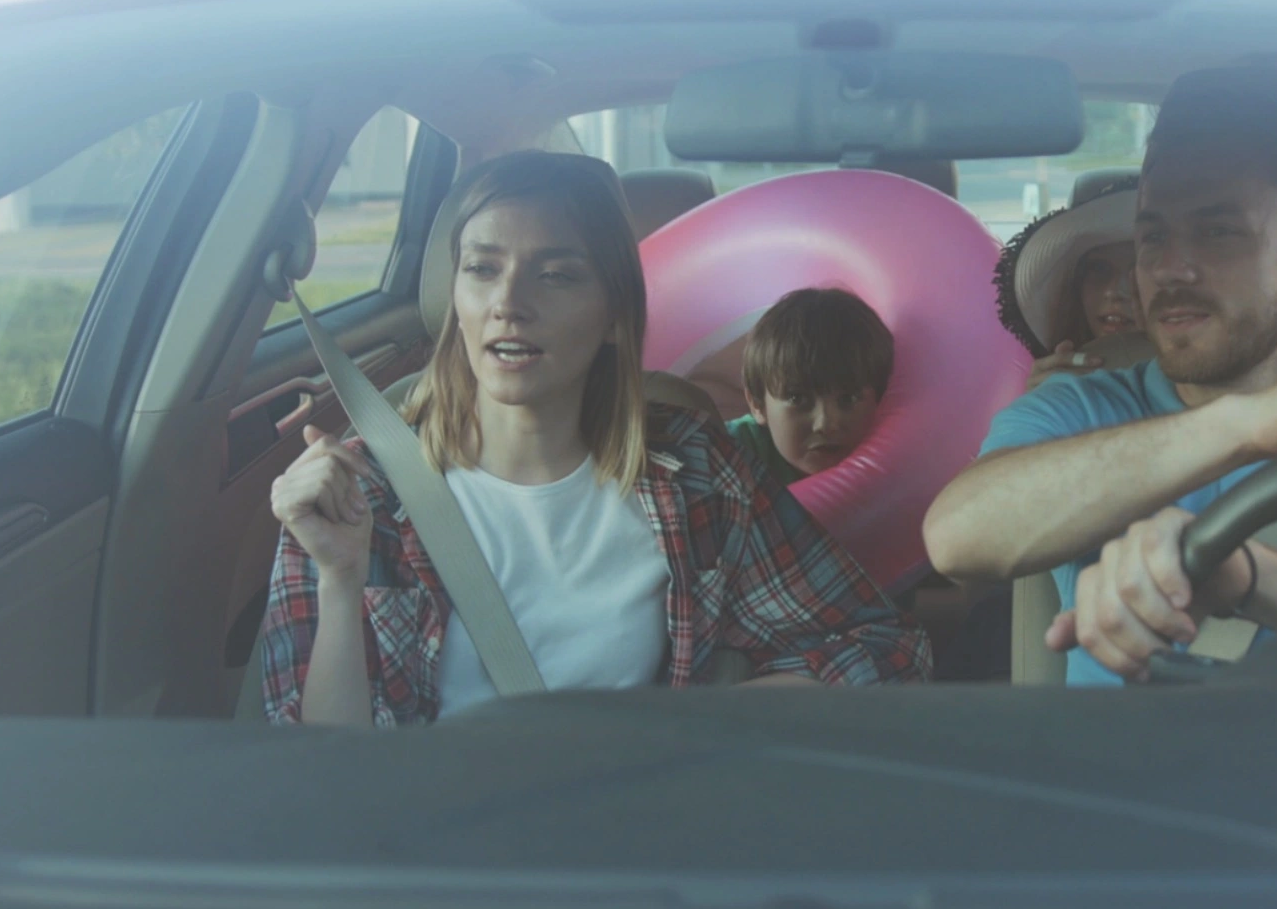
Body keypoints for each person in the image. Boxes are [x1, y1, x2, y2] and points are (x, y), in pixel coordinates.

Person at [258, 152, 929, 725]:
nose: (509, 302)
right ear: (455, 292)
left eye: (555, 274)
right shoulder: (359, 493)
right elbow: (320, 771)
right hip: (434, 860)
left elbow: (879, 647)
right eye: (483, 269)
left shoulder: (693, 474)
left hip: (627, 842)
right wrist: (339, 580)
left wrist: (682, 734)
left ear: (614, 313)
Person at [923, 66, 1277, 685]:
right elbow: (957, 537)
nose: (1170, 269)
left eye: (1219, 232)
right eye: (1153, 236)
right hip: (1127, 778)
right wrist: (1249, 426)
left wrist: (1248, 575)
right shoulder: (1078, 406)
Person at [725, 287, 894, 483]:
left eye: (848, 399)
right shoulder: (731, 449)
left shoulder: (895, 451)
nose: (826, 424)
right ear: (757, 405)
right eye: (798, 399)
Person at [994, 182, 1144, 391]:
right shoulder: (1051, 384)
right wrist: (1039, 406)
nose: (1114, 291)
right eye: (1098, 269)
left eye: (1138, 270)